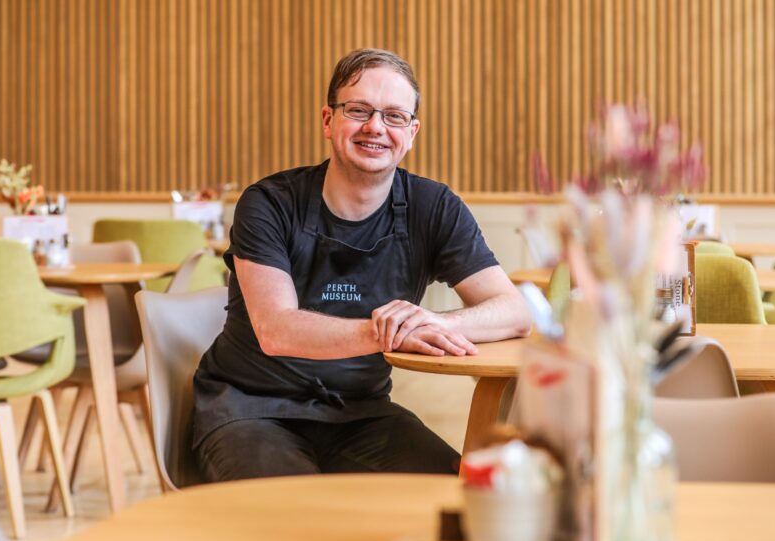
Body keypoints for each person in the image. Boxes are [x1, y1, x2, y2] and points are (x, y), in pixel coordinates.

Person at [193, 48, 530, 481]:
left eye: (394, 116)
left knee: (454, 496)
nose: (375, 127)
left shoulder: (434, 207)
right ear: (328, 121)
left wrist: (428, 321)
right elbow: (275, 330)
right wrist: (384, 331)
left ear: (411, 133)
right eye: (358, 110)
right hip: (249, 410)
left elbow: (515, 312)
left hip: (361, 413)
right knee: (295, 524)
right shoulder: (269, 203)